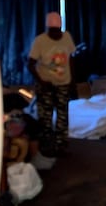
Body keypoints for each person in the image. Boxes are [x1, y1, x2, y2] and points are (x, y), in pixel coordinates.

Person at [28, 12, 76, 156]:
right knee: (45, 117)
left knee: (63, 116)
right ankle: (46, 146)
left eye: (57, 31)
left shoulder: (67, 37)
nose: (56, 34)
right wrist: (41, 82)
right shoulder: (40, 41)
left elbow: (71, 58)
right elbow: (30, 64)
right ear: (48, 28)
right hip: (45, 85)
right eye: (52, 31)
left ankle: (61, 145)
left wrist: (73, 81)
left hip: (63, 83)